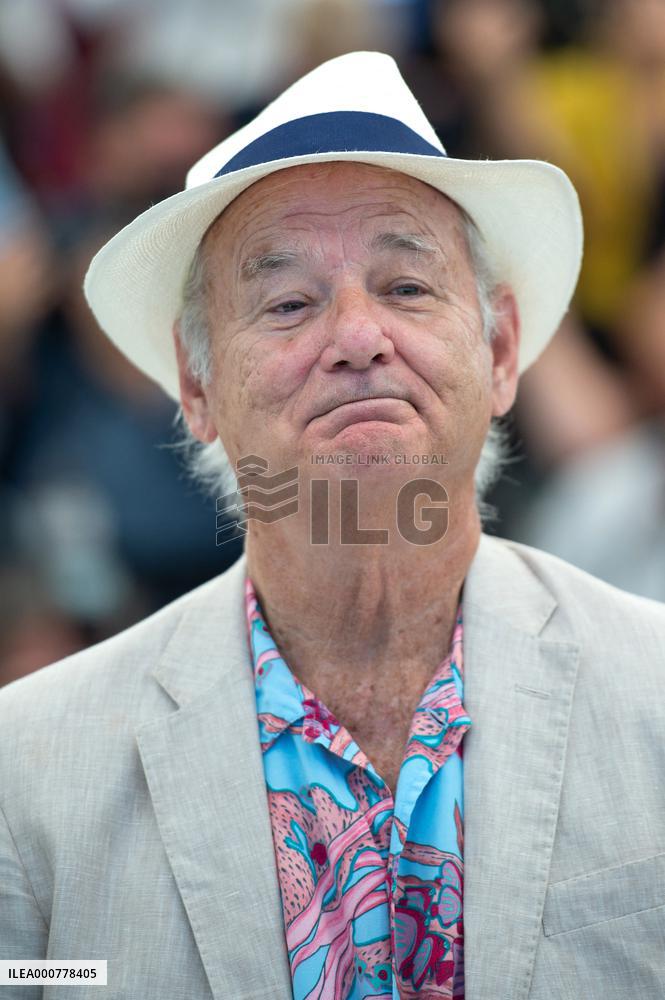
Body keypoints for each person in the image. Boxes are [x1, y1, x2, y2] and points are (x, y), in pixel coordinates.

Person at [1, 51, 664, 1000]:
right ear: (199, 390)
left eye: (405, 288)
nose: (357, 337)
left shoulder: (655, 699)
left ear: (502, 349)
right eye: (286, 303)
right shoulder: (27, 772)